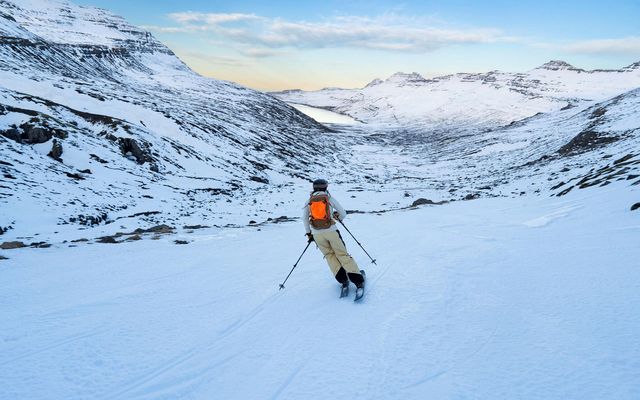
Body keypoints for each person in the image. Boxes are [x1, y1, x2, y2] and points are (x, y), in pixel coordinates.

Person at [302, 178, 364, 295]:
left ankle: (343, 280)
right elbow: (343, 213)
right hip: (331, 231)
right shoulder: (329, 198)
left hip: (317, 234)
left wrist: (309, 233)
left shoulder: (309, 201)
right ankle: (358, 281)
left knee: (329, 256)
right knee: (342, 254)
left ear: (314, 188)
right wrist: (336, 216)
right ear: (326, 187)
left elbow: (305, 219)